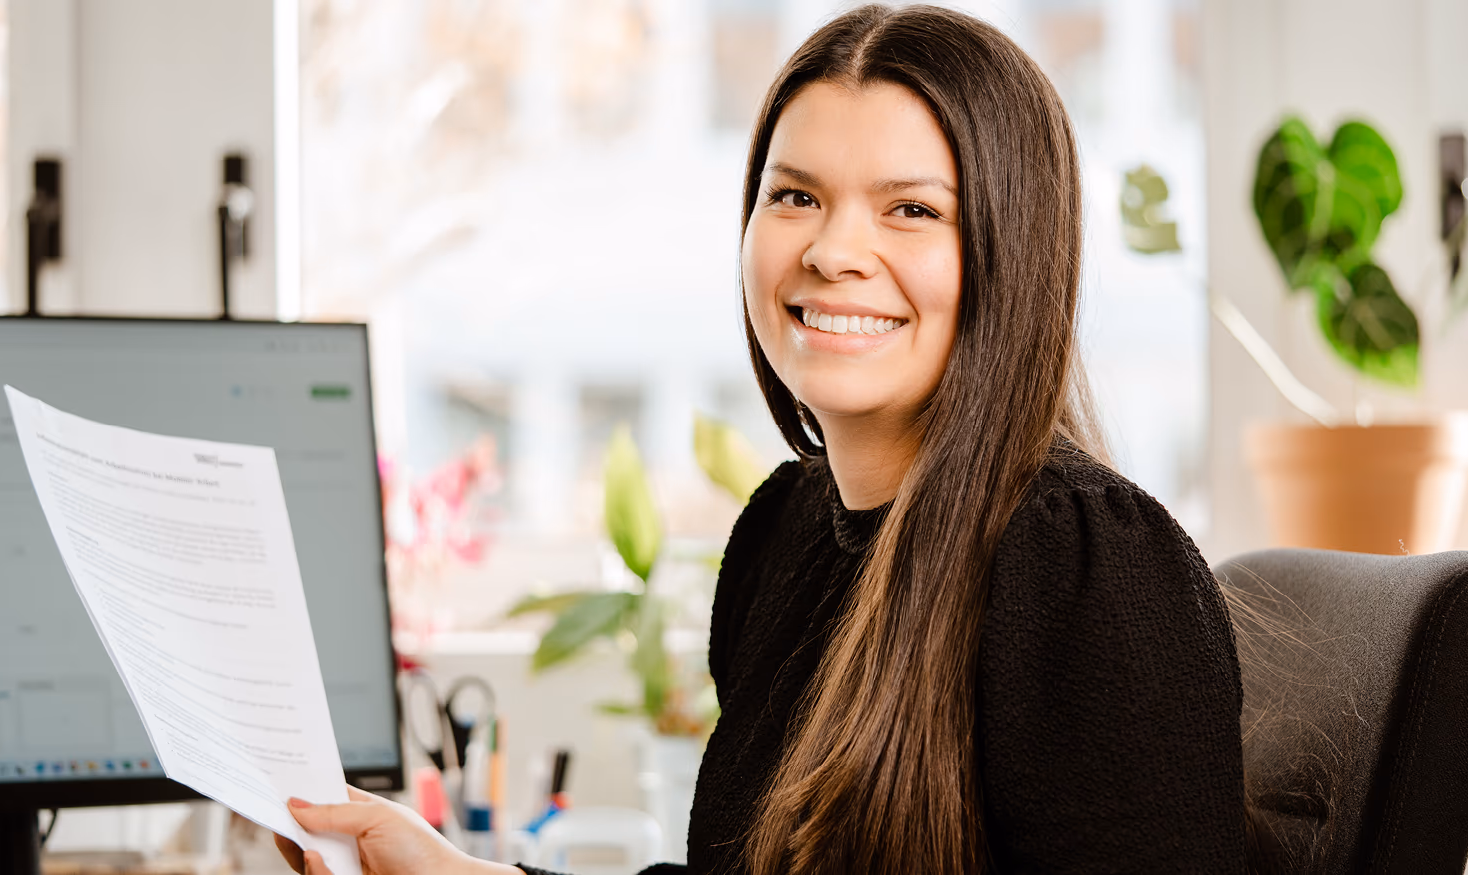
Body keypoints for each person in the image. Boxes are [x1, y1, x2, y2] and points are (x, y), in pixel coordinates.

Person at [277, 5, 1248, 874]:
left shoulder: (1085, 561)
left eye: (911, 209)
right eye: (795, 197)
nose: (831, 250)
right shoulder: (783, 530)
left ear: (1013, 247)